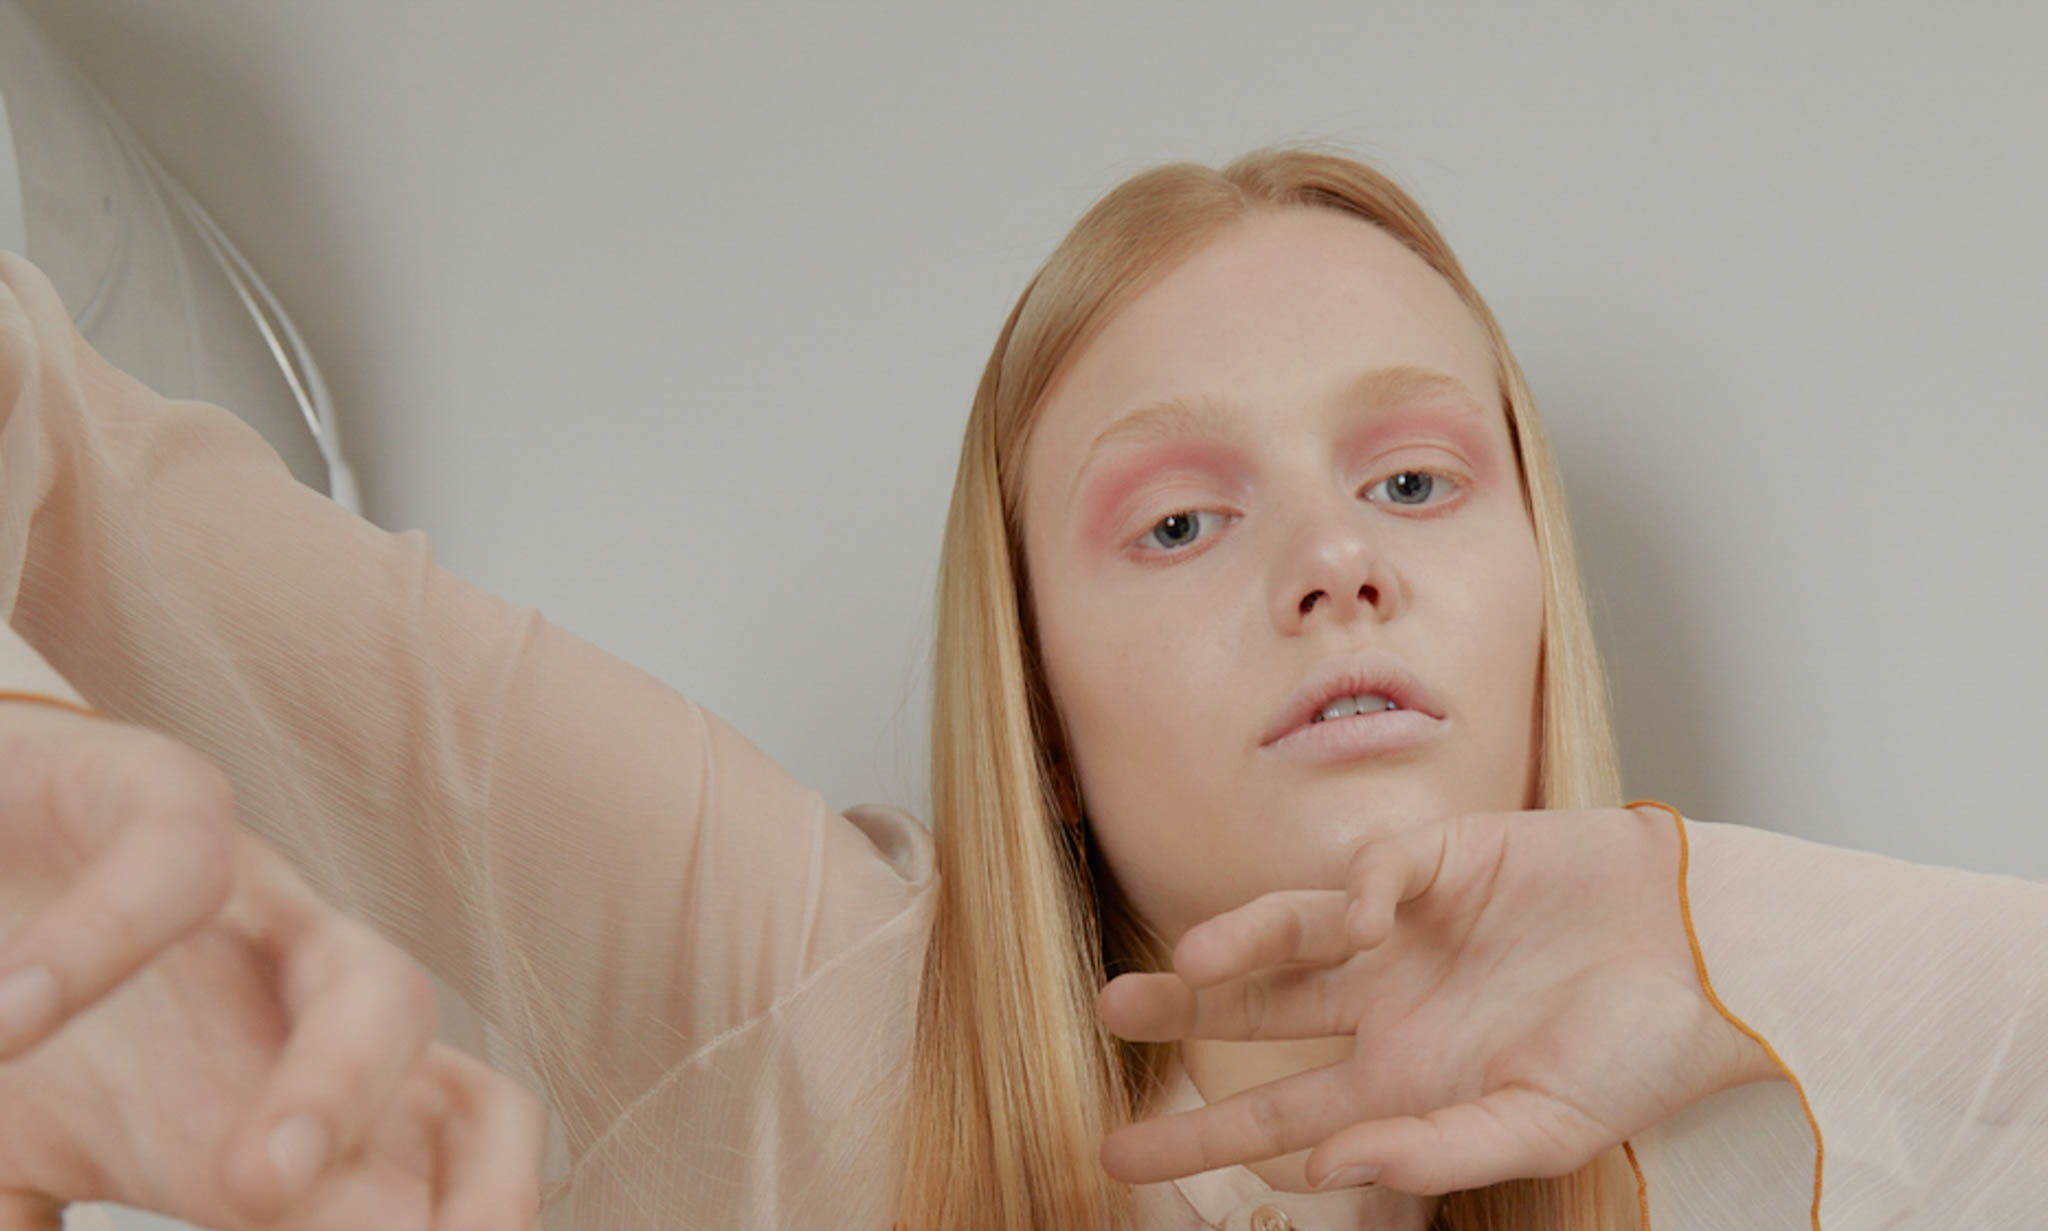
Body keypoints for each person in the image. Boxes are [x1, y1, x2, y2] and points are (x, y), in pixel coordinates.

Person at [2, 146, 2044, 1230]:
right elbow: (47, 424)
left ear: (1536, 595)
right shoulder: (797, 993)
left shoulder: (1790, 1145)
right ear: (1042, 715)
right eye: (1180, 519)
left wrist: (1725, 938)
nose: (1336, 561)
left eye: (1415, 480)